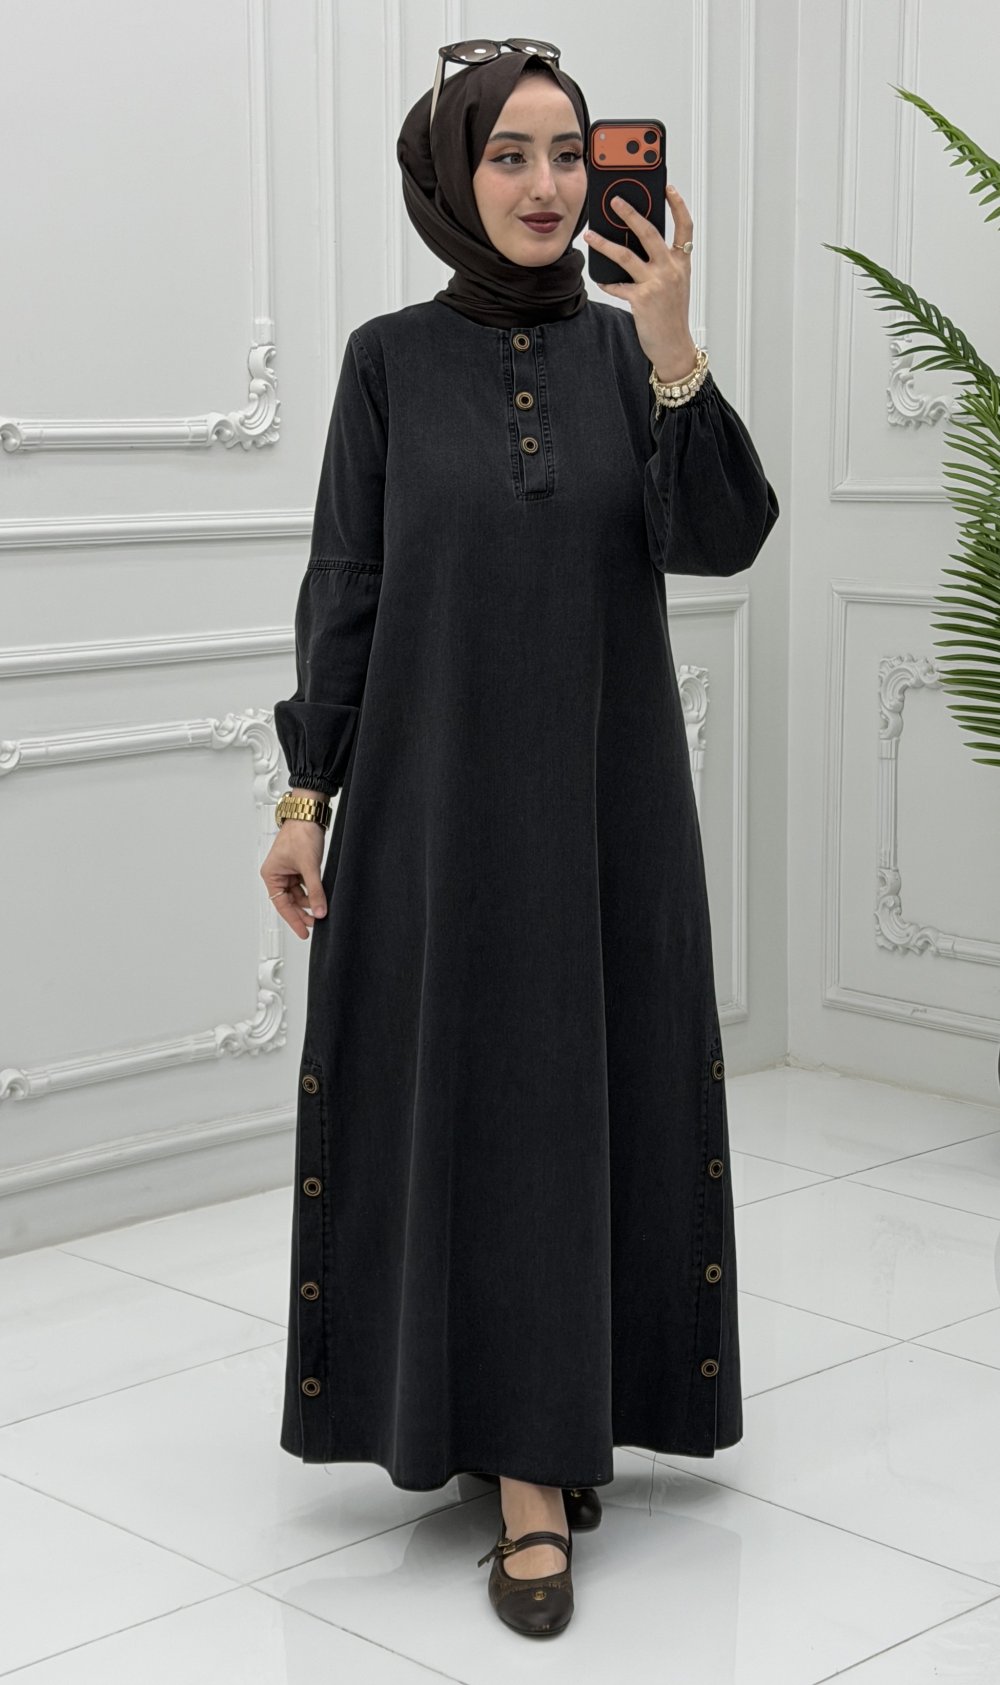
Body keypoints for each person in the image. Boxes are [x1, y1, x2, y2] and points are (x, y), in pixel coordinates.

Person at [260, 40, 779, 1640]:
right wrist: (304, 793)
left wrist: (674, 345)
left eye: (570, 153)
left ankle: (549, 1453)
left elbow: (723, 538)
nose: (548, 185)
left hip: (609, 805)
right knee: (459, 1100)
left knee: (581, 1096)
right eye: (511, 155)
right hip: (431, 809)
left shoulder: (630, 356)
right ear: (453, 174)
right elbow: (348, 585)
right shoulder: (385, 364)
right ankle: (496, 1437)